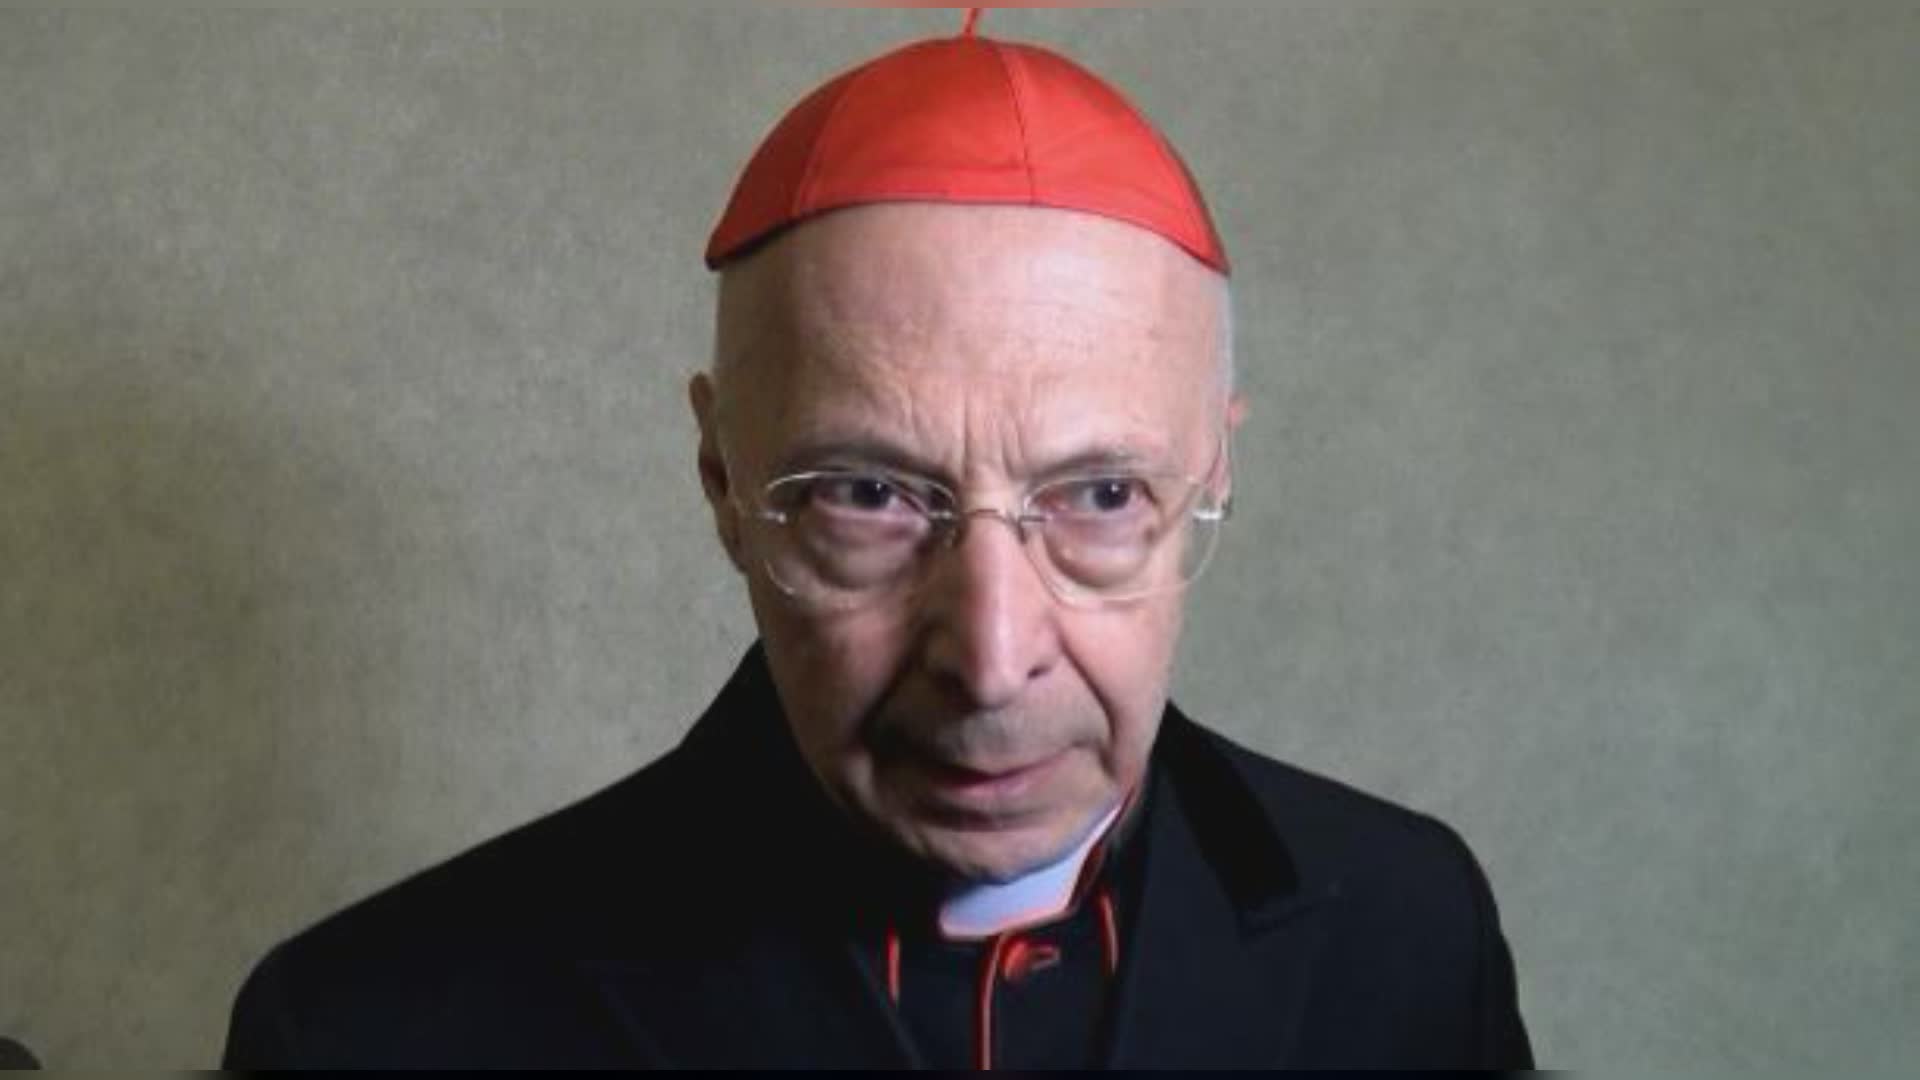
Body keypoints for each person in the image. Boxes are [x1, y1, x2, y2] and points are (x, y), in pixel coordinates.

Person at [223, 18, 1533, 1069]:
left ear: (1213, 473)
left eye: (1098, 496)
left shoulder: (1416, 932)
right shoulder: (368, 1028)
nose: (992, 660)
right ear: (723, 481)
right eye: (869, 494)